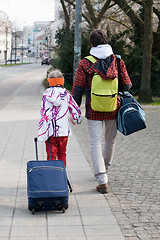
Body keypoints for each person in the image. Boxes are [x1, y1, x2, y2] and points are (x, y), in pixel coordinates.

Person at [72, 29, 132, 193]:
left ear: (91, 43)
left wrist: (73, 109)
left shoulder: (85, 62)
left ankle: (102, 178)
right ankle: (105, 169)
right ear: (106, 41)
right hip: (113, 107)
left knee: (95, 143)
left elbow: (77, 89)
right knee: (110, 141)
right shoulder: (117, 61)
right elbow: (127, 85)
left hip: (94, 109)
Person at [38, 69, 82, 167]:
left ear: (49, 81)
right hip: (63, 130)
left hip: (50, 131)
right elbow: (75, 109)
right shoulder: (66, 95)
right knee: (62, 154)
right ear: (62, 81)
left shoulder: (46, 95)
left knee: (51, 155)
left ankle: (52, 177)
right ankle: (62, 176)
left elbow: (43, 113)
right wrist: (75, 120)